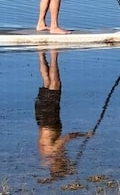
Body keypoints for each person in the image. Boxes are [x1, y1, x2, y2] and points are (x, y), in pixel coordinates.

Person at [34, 49, 90, 181]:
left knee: (55, 83)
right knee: (46, 81)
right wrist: (69, 169)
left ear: (57, 165)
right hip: (41, 117)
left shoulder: (53, 153)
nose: (65, 161)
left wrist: (85, 134)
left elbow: (67, 137)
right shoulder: (44, 158)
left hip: (49, 118)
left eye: (63, 164)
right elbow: (58, 165)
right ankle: (41, 53)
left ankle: (54, 55)